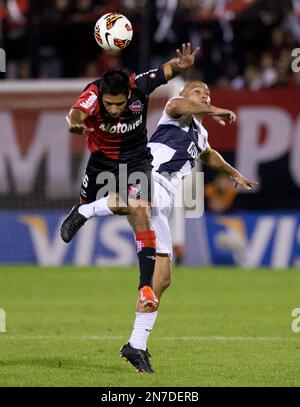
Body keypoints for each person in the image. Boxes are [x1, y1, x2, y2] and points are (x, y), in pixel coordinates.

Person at [61, 80, 257, 373]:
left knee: (162, 278)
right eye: (197, 92)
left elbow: (208, 155)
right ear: (183, 95)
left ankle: (136, 345)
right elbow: (180, 104)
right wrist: (214, 108)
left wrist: (234, 172)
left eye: (207, 93)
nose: (203, 96)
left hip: (166, 198)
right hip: (146, 172)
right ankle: (86, 209)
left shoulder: (200, 134)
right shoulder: (173, 111)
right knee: (138, 204)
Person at [60, 44, 200, 372]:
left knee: (140, 208)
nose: (113, 109)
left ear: (128, 96)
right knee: (108, 205)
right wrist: (76, 123)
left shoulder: (139, 85)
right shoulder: (93, 94)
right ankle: (82, 211)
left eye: (119, 104)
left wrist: (181, 65)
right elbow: (76, 113)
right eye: (109, 105)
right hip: (102, 163)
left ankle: (145, 286)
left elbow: (166, 73)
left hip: (136, 162)